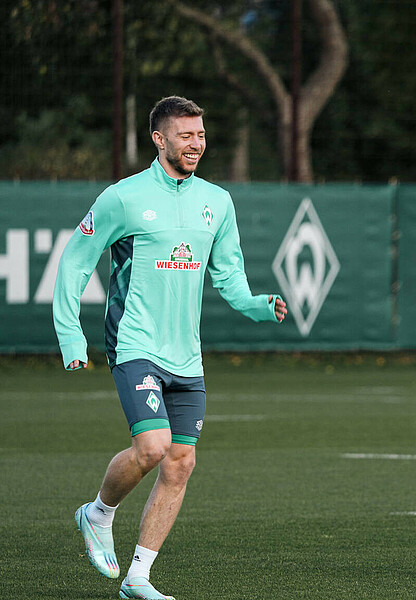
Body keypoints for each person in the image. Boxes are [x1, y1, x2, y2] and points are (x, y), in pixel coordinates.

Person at [53, 96, 287, 600]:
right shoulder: (122, 198)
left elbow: (229, 279)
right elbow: (74, 262)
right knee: (154, 447)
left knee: (180, 461)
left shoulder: (218, 201)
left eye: (201, 135)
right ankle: (98, 512)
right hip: (134, 342)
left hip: (187, 355)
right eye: (186, 136)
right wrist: (71, 335)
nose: (197, 144)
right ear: (159, 139)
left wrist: (260, 305)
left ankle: (139, 576)